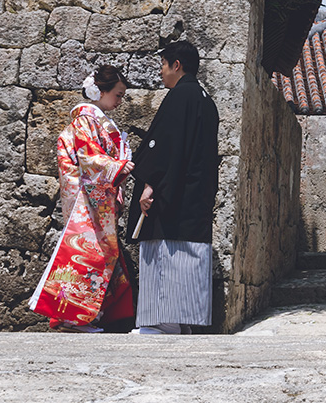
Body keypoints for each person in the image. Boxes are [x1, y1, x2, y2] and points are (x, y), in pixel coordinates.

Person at [30, 65, 135, 333]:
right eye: (118, 94)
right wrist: (117, 166)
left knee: (95, 255)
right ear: (101, 91)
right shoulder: (86, 120)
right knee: (86, 255)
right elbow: (89, 158)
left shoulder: (95, 121)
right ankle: (72, 317)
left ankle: (84, 315)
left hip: (96, 196)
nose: (120, 101)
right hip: (87, 199)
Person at [126, 40, 220, 335]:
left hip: (171, 197)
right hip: (195, 195)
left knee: (165, 253)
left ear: (176, 65)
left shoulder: (180, 96)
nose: (161, 73)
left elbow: (166, 148)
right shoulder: (206, 100)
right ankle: (182, 322)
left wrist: (150, 185)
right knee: (187, 255)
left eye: (163, 65)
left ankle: (162, 323)